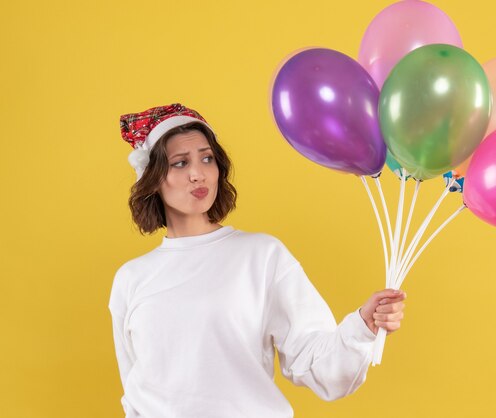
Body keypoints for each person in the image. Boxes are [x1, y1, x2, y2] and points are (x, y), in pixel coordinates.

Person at [108, 103, 407, 418]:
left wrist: (363, 325)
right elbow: (136, 393)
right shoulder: (131, 279)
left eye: (207, 158)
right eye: (180, 163)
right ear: (153, 178)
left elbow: (314, 361)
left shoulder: (262, 256)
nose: (198, 174)